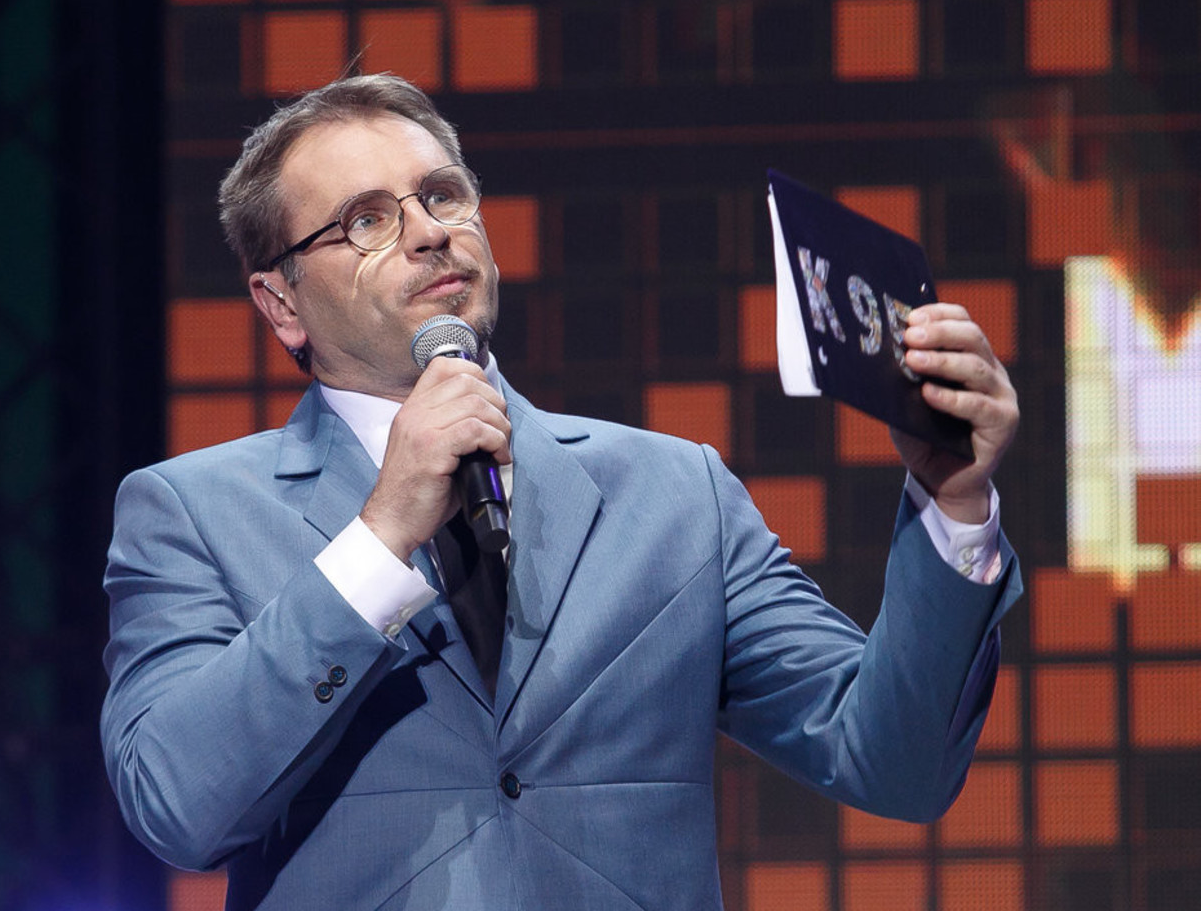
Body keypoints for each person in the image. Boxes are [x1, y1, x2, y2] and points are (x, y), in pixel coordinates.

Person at [101, 74, 1022, 911]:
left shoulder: (676, 495)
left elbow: (894, 763)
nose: (429, 232)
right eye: (367, 220)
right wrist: (379, 538)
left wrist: (952, 501)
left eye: (442, 195)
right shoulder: (191, 512)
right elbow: (177, 807)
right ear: (281, 305)